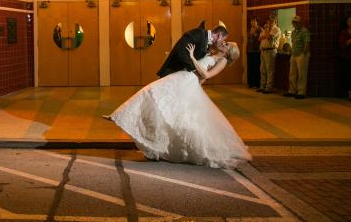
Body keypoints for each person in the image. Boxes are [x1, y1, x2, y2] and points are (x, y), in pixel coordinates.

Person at [105, 42, 251, 169]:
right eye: (225, 43)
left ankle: (156, 143)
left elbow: (206, 75)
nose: (224, 44)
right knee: (151, 92)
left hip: (187, 81)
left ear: (228, 52)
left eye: (227, 45)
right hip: (184, 79)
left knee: (170, 109)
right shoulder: (212, 53)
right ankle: (121, 114)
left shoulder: (223, 61)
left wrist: (193, 57)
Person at [157, 21, 228, 77]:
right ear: (219, 35)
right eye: (223, 39)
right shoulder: (198, 33)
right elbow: (181, 51)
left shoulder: (208, 43)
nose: (222, 42)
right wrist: (193, 69)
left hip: (182, 74)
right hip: (172, 71)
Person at [283, 16, 310, 99]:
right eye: (294, 22)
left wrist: (303, 54)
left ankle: (301, 92)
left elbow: (307, 43)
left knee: (302, 74)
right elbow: (293, 43)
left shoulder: (305, 31)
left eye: (296, 22)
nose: (295, 24)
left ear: (300, 23)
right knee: (292, 74)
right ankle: (292, 90)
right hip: (294, 55)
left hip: (302, 55)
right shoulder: (294, 32)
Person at [258, 14, 281, 94]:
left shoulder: (276, 29)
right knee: (262, 70)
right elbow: (259, 38)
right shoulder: (265, 29)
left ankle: (269, 88)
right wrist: (265, 34)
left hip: (270, 51)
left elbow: (269, 37)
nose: (269, 22)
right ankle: (262, 86)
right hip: (263, 51)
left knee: (269, 70)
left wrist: (266, 33)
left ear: (274, 21)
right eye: (268, 21)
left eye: (271, 21)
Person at [247, 17, 262, 89]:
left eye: (254, 21)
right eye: (251, 21)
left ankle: (257, 83)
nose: (252, 23)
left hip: (257, 51)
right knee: (250, 67)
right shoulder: (249, 29)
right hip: (250, 51)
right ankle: (251, 83)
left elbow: (260, 40)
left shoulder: (260, 29)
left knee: (256, 68)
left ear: (257, 22)